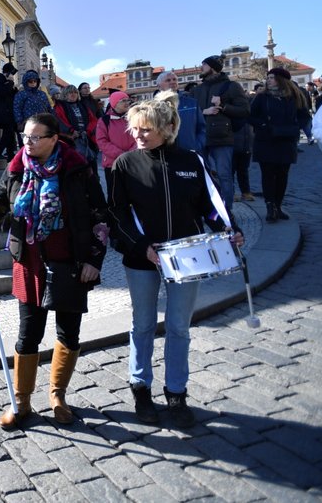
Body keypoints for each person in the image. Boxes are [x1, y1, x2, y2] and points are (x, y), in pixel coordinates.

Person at [0, 113, 108, 428]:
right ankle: (22, 401)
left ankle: (58, 396)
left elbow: (99, 215)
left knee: (68, 333)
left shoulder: (77, 168)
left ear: (54, 138)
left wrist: (94, 260)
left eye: (35, 137)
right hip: (29, 263)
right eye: (25, 136)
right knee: (28, 337)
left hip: (71, 263)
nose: (27, 143)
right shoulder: (16, 168)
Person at [109, 94, 244, 427]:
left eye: (147, 130)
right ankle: (140, 387)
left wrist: (230, 230)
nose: (139, 136)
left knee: (179, 328)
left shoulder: (191, 160)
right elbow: (116, 215)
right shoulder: (125, 164)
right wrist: (142, 247)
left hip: (187, 258)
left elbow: (210, 204)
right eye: (135, 129)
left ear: (168, 128)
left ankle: (177, 394)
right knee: (142, 325)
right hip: (143, 260)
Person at [248, 67, 312, 222]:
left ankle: (278, 205)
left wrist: (295, 126)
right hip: (266, 141)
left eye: (272, 77)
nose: (268, 80)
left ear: (281, 80)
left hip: (286, 141)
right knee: (268, 175)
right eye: (268, 77)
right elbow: (251, 116)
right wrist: (263, 125)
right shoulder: (262, 97)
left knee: (282, 175)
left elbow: (304, 116)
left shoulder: (295, 97)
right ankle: (270, 207)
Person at [192, 55, 250, 207]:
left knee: (224, 175)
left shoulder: (231, 86)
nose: (200, 68)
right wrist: (204, 111)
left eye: (203, 65)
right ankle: (207, 209)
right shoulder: (197, 90)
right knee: (202, 175)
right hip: (200, 138)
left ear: (212, 68)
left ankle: (227, 210)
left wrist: (223, 106)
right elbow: (192, 112)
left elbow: (244, 110)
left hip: (222, 137)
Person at [95, 91, 135, 194]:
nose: (127, 103)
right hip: (113, 164)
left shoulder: (133, 118)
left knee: (133, 192)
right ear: (114, 103)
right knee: (115, 194)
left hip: (133, 162)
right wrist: (121, 155)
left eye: (128, 100)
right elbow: (102, 141)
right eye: (123, 101)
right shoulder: (104, 120)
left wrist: (131, 154)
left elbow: (138, 137)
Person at [156, 71, 206, 153]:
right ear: (159, 86)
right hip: (165, 154)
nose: (172, 82)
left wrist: (197, 145)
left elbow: (202, 128)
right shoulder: (154, 107)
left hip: (190, 151)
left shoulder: (192, 103)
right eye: (168, 80)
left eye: (174, 79)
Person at [54, 84, 99, 164]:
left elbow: (93, 120)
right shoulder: (60, 106)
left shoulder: (83, 106)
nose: (73, 94)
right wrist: (71, 131)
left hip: (86, 138)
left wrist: (87, 131)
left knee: (91, 163)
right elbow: (59, 121)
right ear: (65, 94)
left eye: (75, 92)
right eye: (70, 92)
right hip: (70, 139)